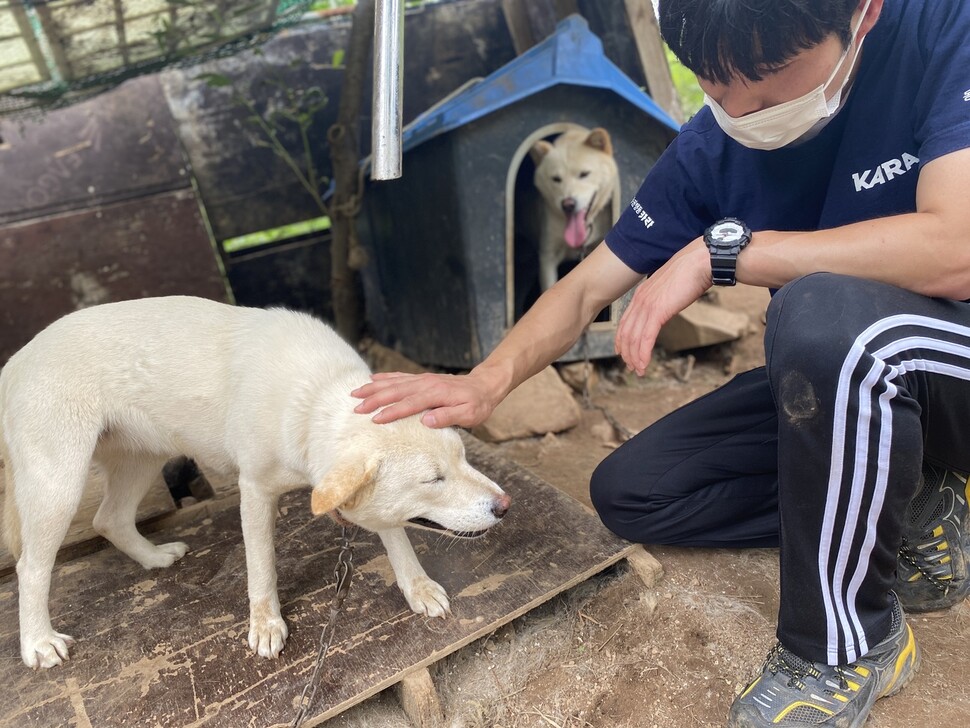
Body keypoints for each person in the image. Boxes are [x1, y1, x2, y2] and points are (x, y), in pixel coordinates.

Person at [352, 1, 970, 725]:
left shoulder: (943, 31)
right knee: (635, 491)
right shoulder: (714, 146)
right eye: (714, 85)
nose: (741, 110)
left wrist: (732, 252)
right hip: (852, 374)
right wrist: (486, 383)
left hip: (945, 359)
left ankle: (846, 645)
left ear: (861, 14)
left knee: (818, 311)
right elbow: (585, 287)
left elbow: (955, 249)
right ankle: (921, 498)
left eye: (766, 86)